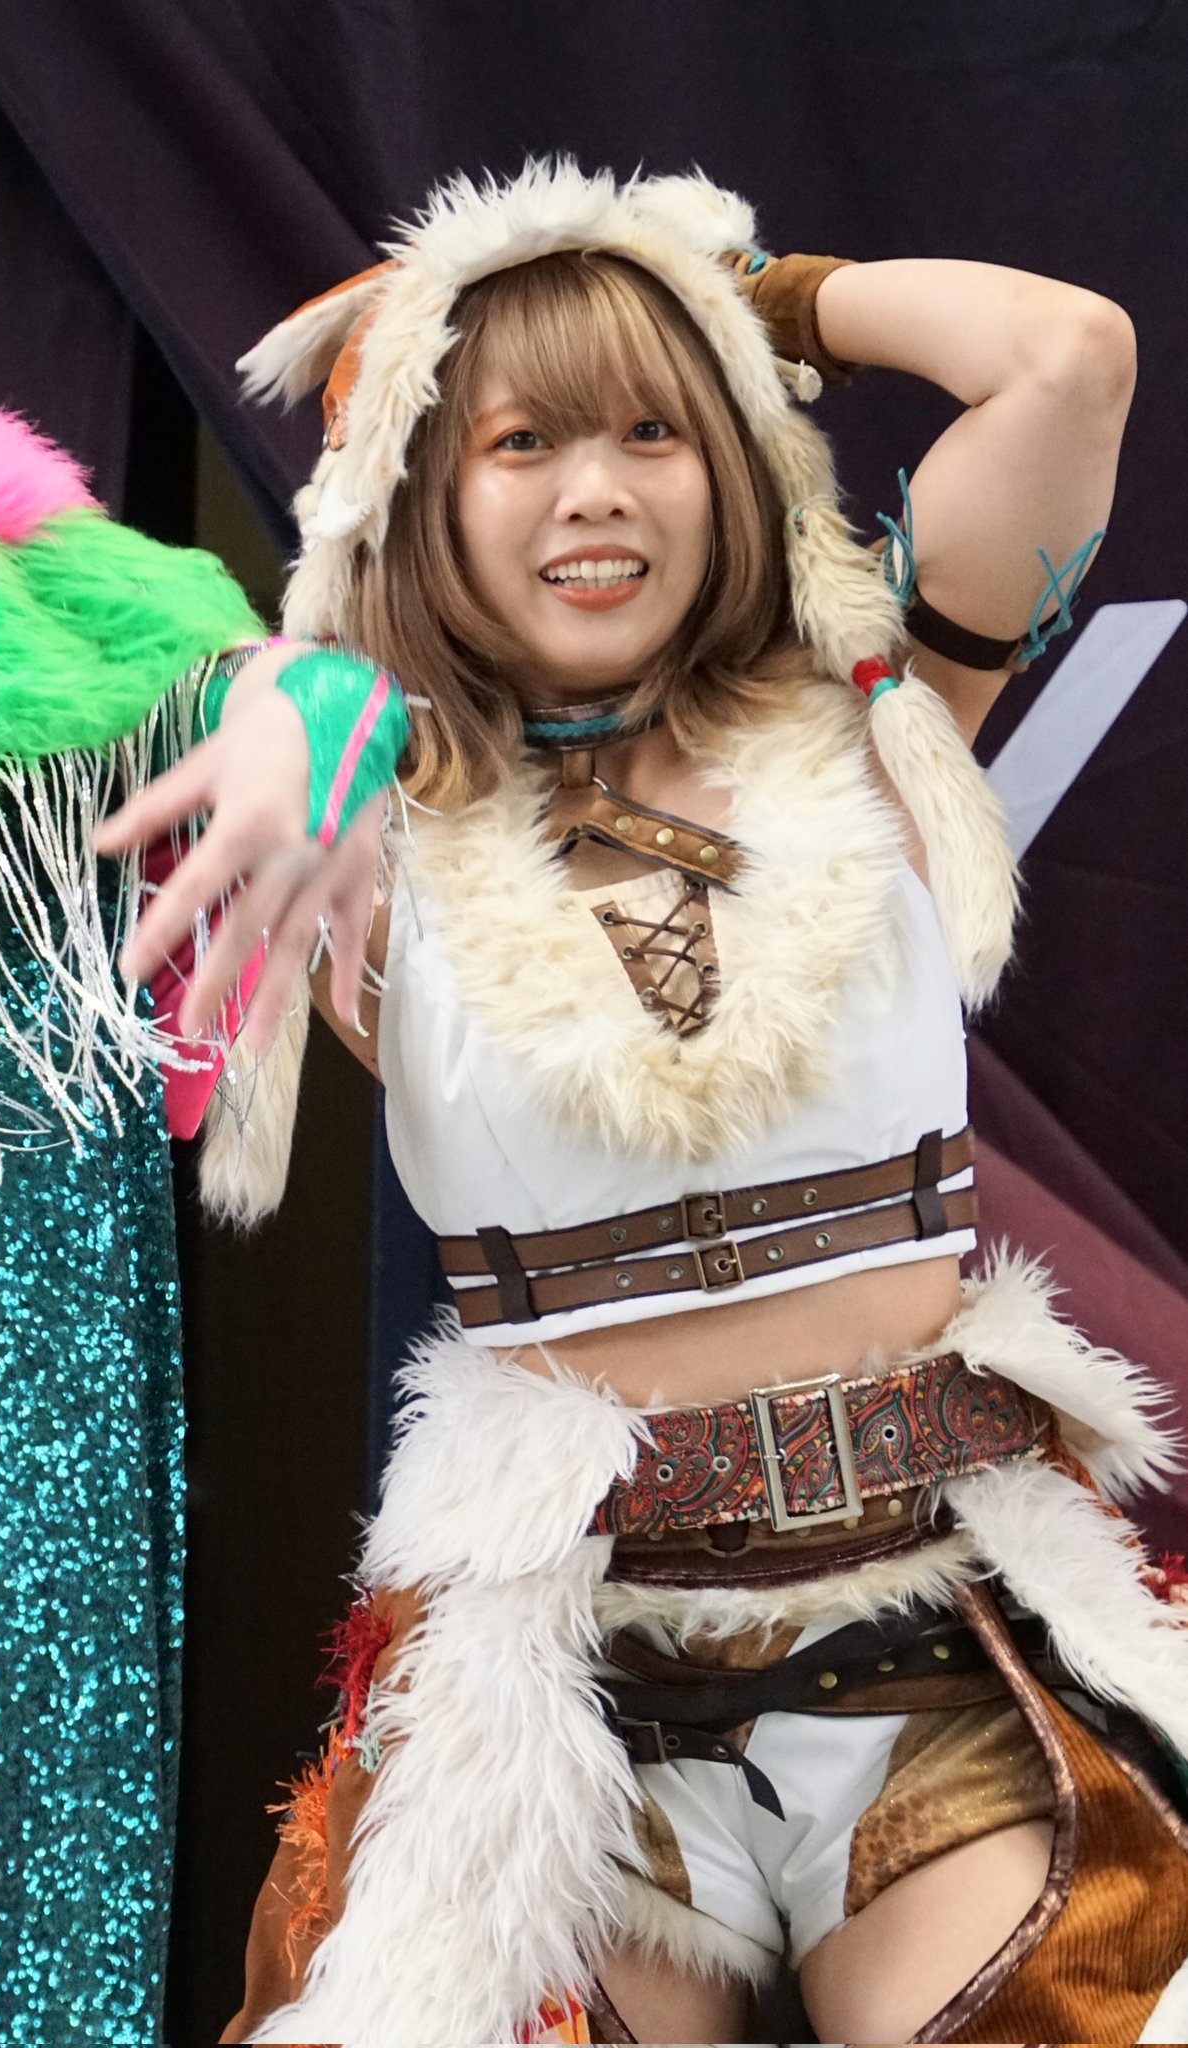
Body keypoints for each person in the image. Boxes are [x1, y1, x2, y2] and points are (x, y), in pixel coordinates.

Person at [100, 162, 1188, 2047]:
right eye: (521, 440)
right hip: (566, 1699)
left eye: (651, 430)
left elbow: (1064, 357)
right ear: (419, 498)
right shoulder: (363, 837)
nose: (594, 490)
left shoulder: (874, 729)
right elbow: (131, 638)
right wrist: (283, 698)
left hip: (932, 1645)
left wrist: (730, 295)